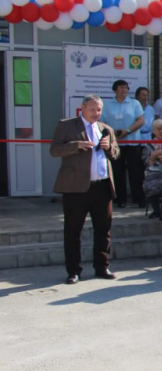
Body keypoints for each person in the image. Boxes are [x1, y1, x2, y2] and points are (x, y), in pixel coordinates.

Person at [50, 94, 120, 284]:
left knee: (103, 229)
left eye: (99, 110)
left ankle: (102, 266)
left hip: (102, 186)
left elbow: (116, 153)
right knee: (73, 231)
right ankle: (73, 271)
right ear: (82, 108)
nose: (96, 113)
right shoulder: (67, 125)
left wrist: (109, 147)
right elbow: (54, 150)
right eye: (92, 109)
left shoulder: (106, 129)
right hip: (76, 188)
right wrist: (76, 145)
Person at [101, 79, 145, 208]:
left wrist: (128, 131)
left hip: (132, 142)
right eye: (121, 87)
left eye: (126, 87)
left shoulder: (134, 103)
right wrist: (112, 132)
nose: (124, 90)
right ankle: (120, 198)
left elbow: (141, 120)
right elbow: (101, 123)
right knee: (117, 172)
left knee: (136, 172)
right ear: (115, 89)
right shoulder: (107, 105)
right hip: (116, 143)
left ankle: (138, 198)